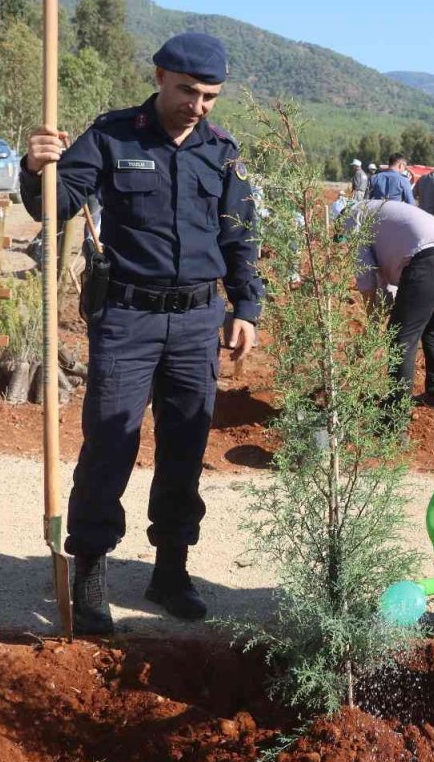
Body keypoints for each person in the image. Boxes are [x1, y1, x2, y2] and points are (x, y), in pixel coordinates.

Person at [19, 32, 262, 635]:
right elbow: (53, 204)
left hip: (198, 321)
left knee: (185, 443)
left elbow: (240, 238)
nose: (198, 105)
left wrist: (247, 308)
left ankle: (171, 569)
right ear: (159, 78)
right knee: (110, 442)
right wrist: (35, 166)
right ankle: (92, 570)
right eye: (187, 90)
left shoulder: (223, 153)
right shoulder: (112, 135)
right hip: (127, 317)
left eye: (209, 96)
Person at [350, 200, 434, 411]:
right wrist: (379, 310)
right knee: (431, 325)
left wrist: (372, 321)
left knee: (401, 338)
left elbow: (366, 278)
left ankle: (395, 417)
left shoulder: (353, 218)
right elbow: (387, 281)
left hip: (427, 262)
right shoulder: (378, 212)